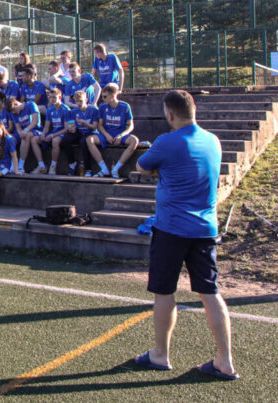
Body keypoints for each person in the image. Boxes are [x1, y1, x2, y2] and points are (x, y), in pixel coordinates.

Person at [134, 89, 238, 381]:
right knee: (211, 292)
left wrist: (162, 171)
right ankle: (225, 361)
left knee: (164, 291)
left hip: (171, 229)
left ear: (170, 114)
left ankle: (160, 354)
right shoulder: (213, 140)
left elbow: (141, 166)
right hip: (205, 229)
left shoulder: (167, 141)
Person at [85, 83, 137, 178]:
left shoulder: (125, 106)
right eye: (102, 96)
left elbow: (131, 126)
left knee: (134, 140)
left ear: (112, 96)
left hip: (120, 134)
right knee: (89, 140)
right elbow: (100, 125)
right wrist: (106, 135)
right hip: (106, 134)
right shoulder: (102, 106)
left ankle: (116, 169)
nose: (102, 99)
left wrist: (121, 135)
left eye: (105, 96)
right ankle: (104, 169)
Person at [30, 88, 70, 174]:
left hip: (62, 134)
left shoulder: (65, 110)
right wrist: (43, 134)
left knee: (55, 141)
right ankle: (41, 166)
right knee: (34, 139)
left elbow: (66, 129)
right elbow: (46, 126)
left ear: (60, 97)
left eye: (54, 97)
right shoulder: (50, 109)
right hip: (53, 133)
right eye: (50, 97)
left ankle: (53, 167)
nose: (52, 99)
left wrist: (52, 136)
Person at [69, 90, 100, 176]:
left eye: (81, 101)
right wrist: (72, 128)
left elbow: (94, 127)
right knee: (66, 139)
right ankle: (72, 163)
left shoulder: (93, 110)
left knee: (83, 141)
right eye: (76, 101)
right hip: (79, 132)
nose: (78, 103)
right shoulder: (73, 111)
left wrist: (84, 122)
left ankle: (88, 169)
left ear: (86, 100)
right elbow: (71, 125)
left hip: (91, 132)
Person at [7, 97, 40, 173]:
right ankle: (12, 164)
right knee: (9, 139)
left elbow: (35, 121)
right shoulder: (13, 113)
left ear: (16, 104)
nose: (14, 112)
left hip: (35, 130)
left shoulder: (31, 105)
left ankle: (21, 165)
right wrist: (20, 133)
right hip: (23, 132)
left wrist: (25, 130)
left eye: (14, 110)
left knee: (26, 136)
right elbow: (18, 127)